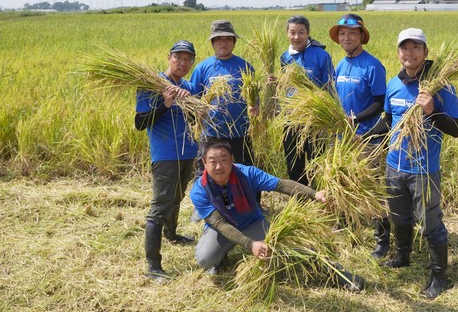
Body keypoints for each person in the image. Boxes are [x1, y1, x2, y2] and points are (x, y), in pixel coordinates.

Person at [189, 139, 364, 292]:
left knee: (292, 249)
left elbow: (281, 185)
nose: (219, 166)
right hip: (222, 229)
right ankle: (221, 258)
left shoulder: (247, 173)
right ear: (204, 162)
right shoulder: (199, 190)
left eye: (223, 160)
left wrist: (314, 194)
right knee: (205, 259)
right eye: (213, 161)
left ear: (232, 160)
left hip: (252, 223)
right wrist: (250, 244)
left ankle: (341, 275)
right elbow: (219, 224)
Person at [366, 28, 458, 299]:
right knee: (399, 216)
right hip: (394, 166)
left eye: (415, 47)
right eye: (404, 48)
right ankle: (402, 256)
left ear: (425, 52)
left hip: (424, 169)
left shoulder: (441, 87)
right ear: (398, 53)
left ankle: (439, 276)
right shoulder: (394, 84)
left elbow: (457, 129)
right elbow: (388, 120)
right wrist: (362, 135)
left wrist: (432, 110)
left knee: (431, 223)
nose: (409, 53)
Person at [135, 40, 199, 282]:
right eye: (178, 58)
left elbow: (194, 120)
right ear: (169, 57)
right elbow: (140, 123)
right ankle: (153, 265)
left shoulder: (189, 86)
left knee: (178, 196)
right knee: (160, 206)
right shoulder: (151, 86)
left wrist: (193, 106)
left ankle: (172, 234)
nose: (182, 63)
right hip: (165, 154)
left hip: (187, 152)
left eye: (188, 59)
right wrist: (166, 104)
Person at [328, 13, 389, 260]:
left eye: (352, 33)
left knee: (372, 189)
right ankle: (347, 224)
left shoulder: (372, 65)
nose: (346, 37)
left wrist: (356, 121)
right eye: (342, 34)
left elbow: (379, 104)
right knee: (344, 182)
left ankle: (382, 240)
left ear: (361, 36)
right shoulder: (341, 65)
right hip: (342, 140)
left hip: (366, 139)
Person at [190, 20, 257, 180]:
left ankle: (250, 205)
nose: (223, 42)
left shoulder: (245, 67)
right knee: (207, 173)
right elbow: (193, 101)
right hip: (211, 133)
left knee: (245, 172)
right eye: (219, 39)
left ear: (234, 42)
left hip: (240, 132)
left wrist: (255, 108)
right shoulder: (203, 67)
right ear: (213, 42)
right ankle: (207, 205)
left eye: (228, 38)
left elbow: (254, 99)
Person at [279, 15, 335, 187]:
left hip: (315, 118)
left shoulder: (321, 56)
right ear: (287, 34)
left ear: (308, 33)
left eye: (301, 32)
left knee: (315, 159)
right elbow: (285, 85)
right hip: (291, 117)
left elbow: (330, 88)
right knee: (293, 158)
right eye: (292, 32)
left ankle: (318, 194)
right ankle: (299, 197)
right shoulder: (285, 57)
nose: (296, 37)